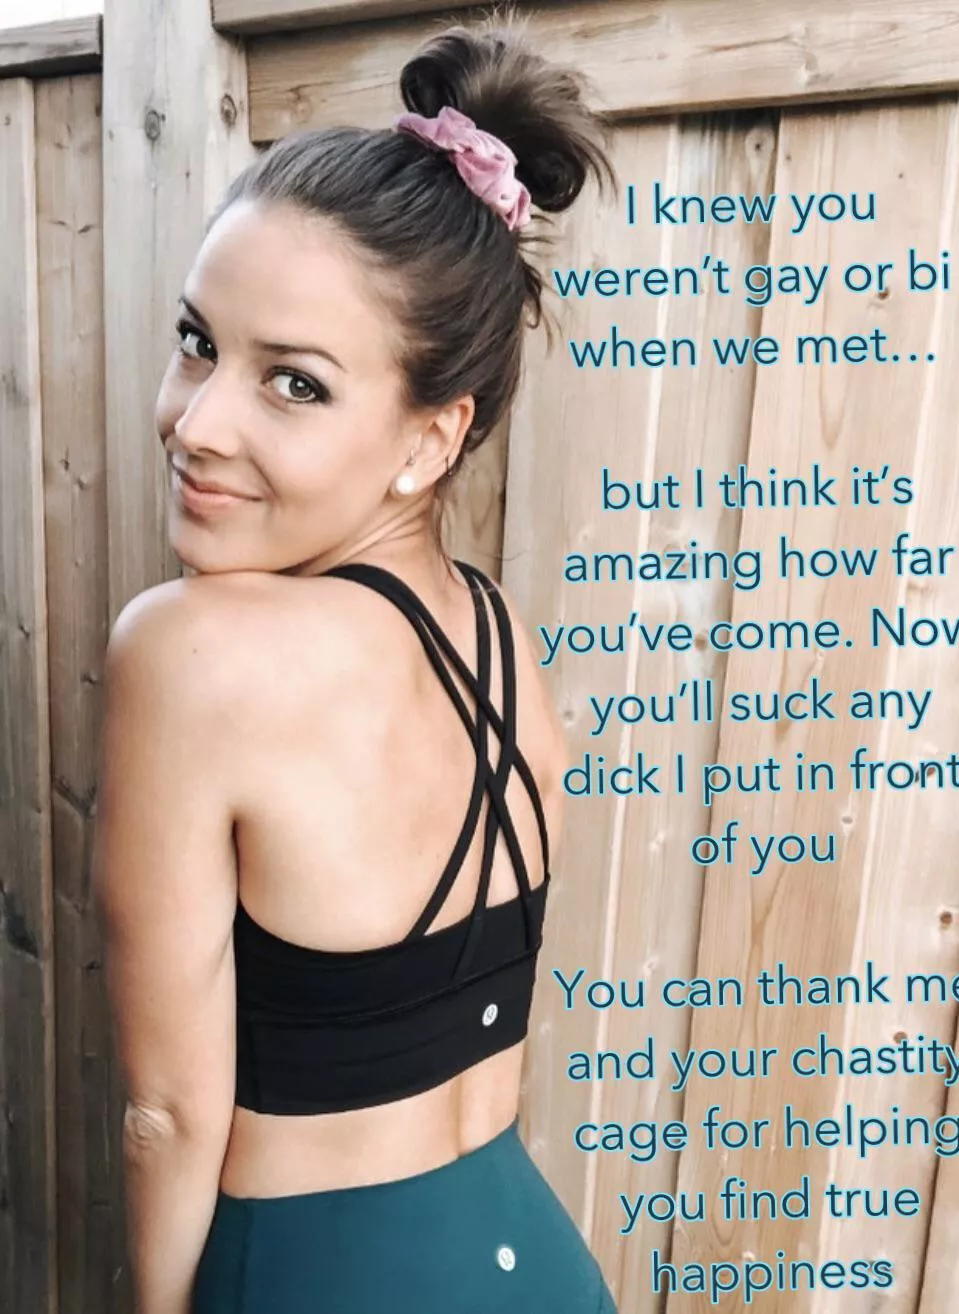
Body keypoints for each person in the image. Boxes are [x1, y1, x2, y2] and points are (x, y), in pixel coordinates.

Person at [93, 7, 618, 1312]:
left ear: (432, 439)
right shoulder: (498, 638)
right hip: (538, 1267)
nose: (198, 422)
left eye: (296, 382)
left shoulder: (190, 649)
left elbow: (167, 1111)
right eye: (200, 343)